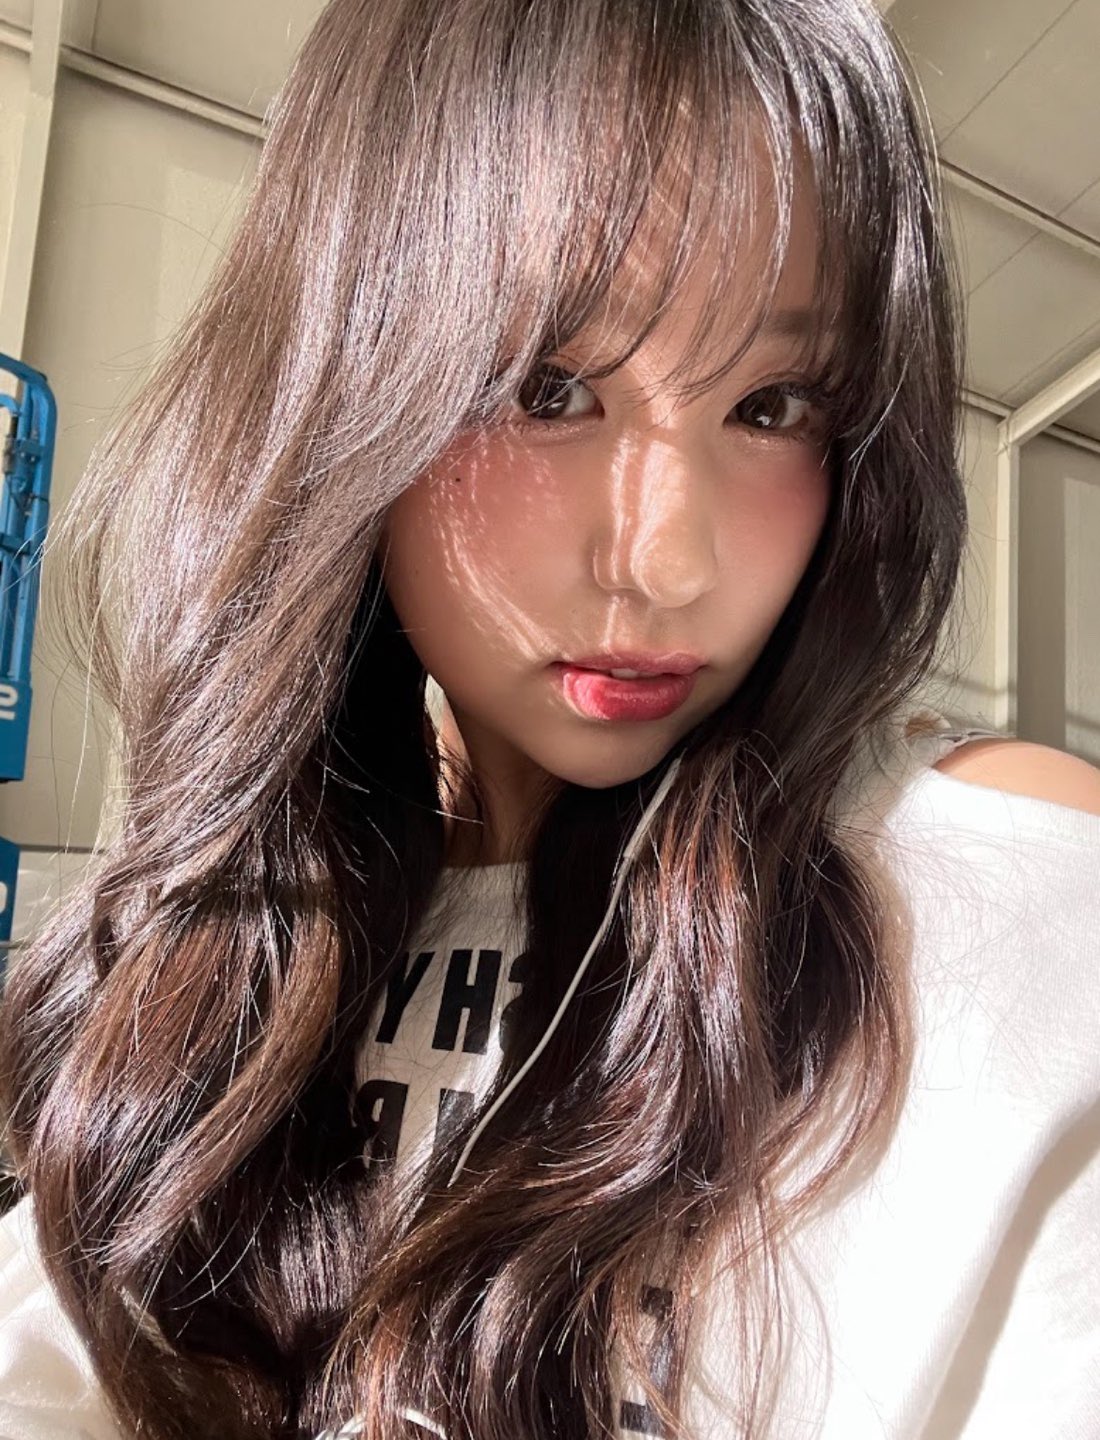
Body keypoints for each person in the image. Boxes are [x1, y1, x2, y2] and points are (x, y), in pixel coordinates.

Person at [0, 0, 1098, 1436]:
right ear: (345, 384)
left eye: (773, 405)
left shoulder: (994, 894)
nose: (668, 561)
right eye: (548, 388)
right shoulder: (226, 940)